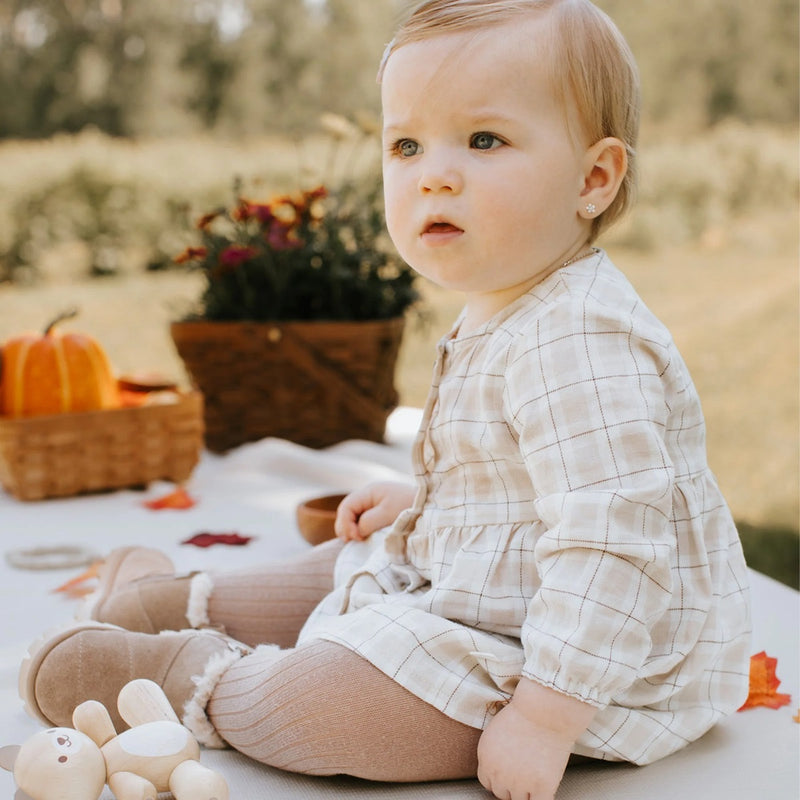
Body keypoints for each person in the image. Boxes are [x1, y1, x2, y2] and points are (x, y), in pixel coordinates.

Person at [19, 2, 751, 798]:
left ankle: (185, 671)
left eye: (483, 140)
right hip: (495, 592)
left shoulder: (581, 339)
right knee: (342, 564)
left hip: (581, 661)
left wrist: (543, 719)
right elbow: (530, 481)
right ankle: (171, 599)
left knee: (331, 708)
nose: (432, 172)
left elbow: (613, 550)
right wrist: (436, 503)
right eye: (406, 144)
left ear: (593, 178)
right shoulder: (515, 299)